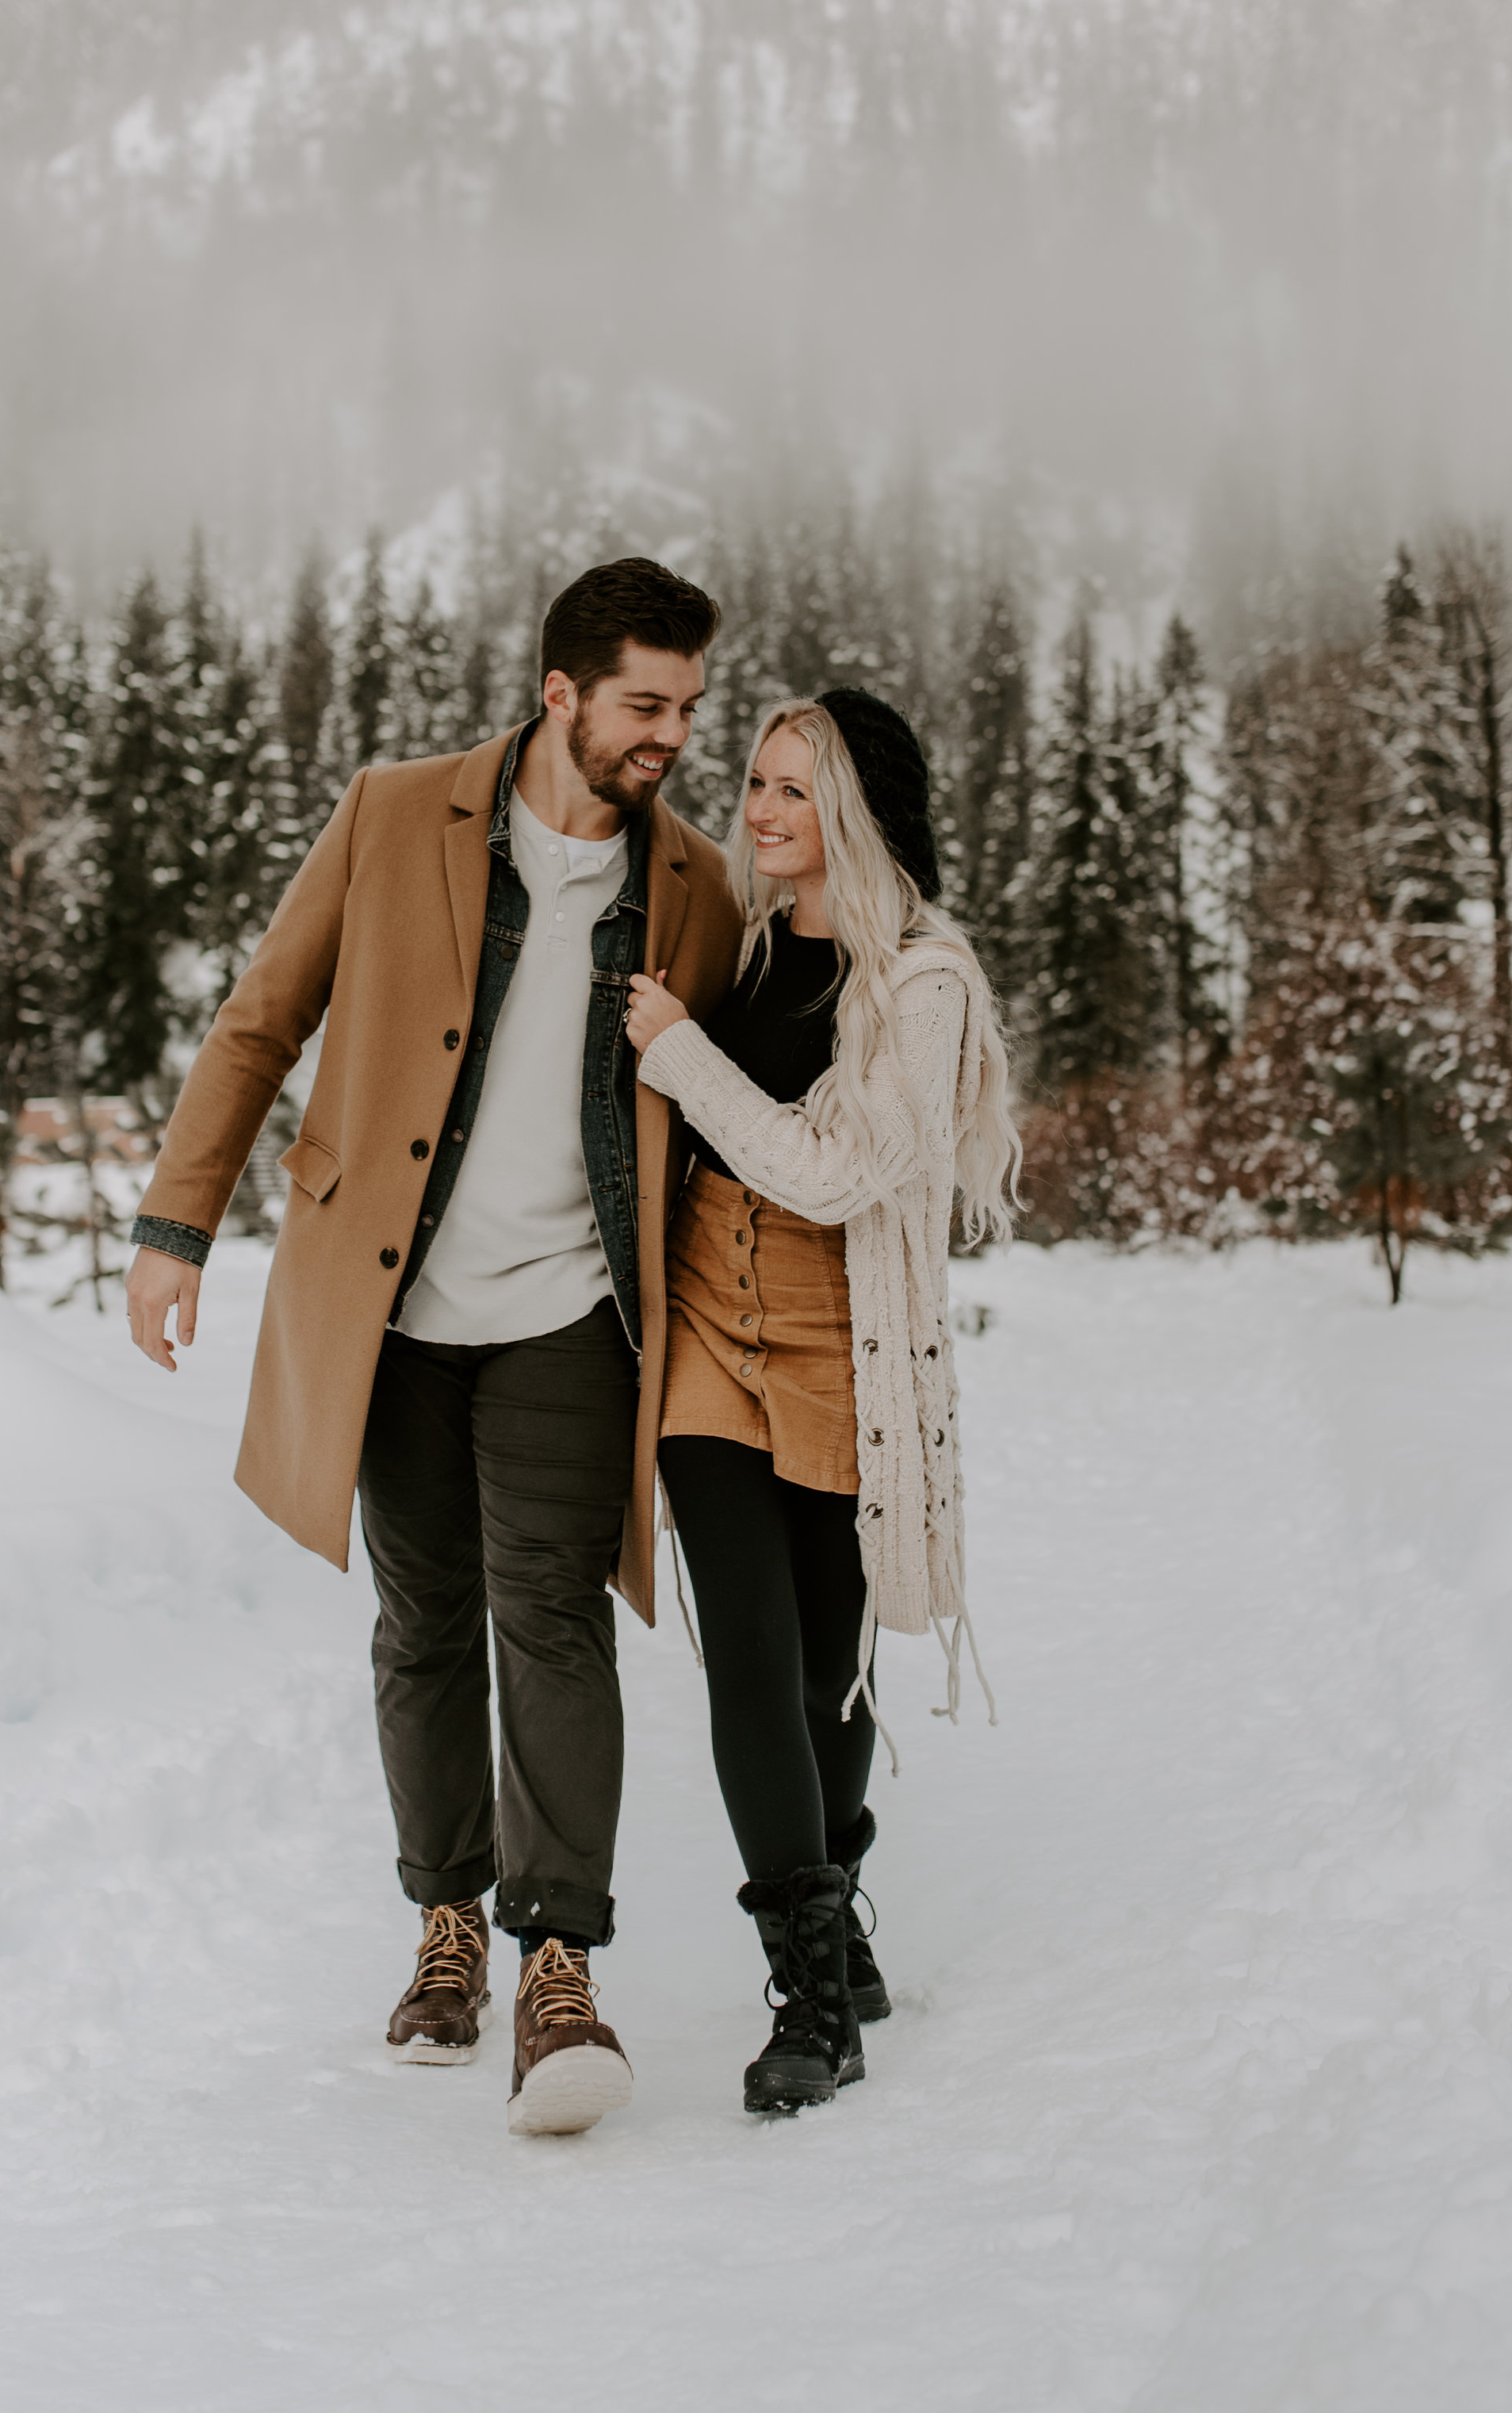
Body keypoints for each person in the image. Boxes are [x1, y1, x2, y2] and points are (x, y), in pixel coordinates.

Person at [126, 558, 741, 2136]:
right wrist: (172, 1223)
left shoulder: (692, 885)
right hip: (386, 1305)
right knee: (420, 1624)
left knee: (549, 1623)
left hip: (564, 1311)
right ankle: (444, 1926)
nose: (671, 733)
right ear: (560, 693)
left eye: (686, 705)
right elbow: (263, 1016)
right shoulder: (395, 814)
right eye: (644, 703)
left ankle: (557, 1966)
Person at [624, 685, 1018, 2116]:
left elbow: (840, 1173)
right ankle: (806, 1982)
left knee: (821, 1669)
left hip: (839, 1338)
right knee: (746, 1656)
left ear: (853, 808)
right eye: (757, 781)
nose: (760, 807)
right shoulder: (738, 947)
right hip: (706, 1338)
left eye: (794, 789)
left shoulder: (920, 981)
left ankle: (838, 1899)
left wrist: (678, 1051)